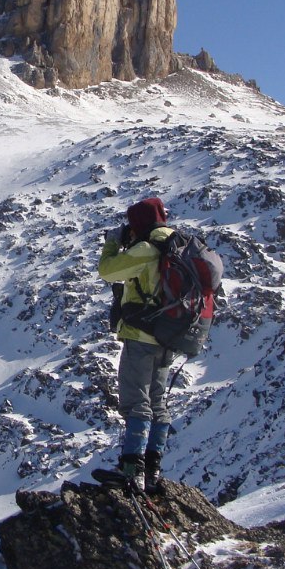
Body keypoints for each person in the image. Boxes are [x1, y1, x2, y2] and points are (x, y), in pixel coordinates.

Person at [97, 196, 177, 490]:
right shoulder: (175, 245)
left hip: (141, 334)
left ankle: (132, 469)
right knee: (158, 401)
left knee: (136, 401)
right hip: (168, 335)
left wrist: (113, 243)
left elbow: (107, 271)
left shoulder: (146, 248)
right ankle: (153, 469)